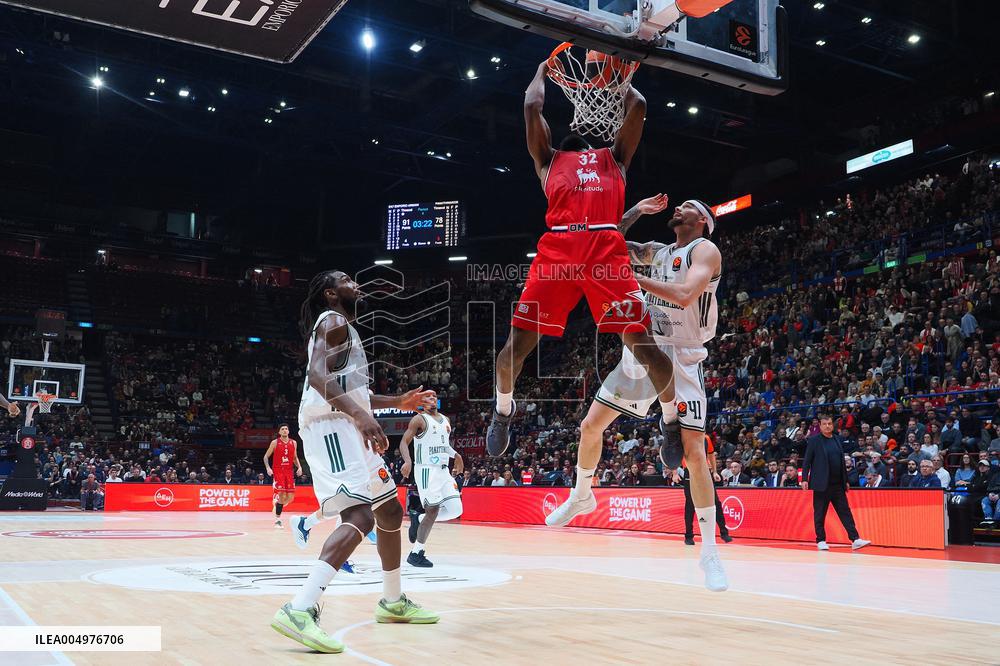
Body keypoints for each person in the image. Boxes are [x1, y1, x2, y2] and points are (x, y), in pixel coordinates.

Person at [487, 61, 679, 467]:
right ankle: (503, 410)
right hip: (558, 250)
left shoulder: (616, 158)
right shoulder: (549, 161)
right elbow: (530, 109)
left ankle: (670, 420)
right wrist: (541, 69)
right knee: (511, 351)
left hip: (605, 247)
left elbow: (639, 104)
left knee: (645, 347)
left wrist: (617, 75)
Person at [546, 196, 728, 592]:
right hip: (645, 348)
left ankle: (710, 553)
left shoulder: (705, 250)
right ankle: (581, 495)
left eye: (687, 207)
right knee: (590, 426)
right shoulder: (659, 252)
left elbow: (683, 295)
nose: (677, 209)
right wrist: (633, 213)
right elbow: (607, 243)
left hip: (682, 357)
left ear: (703, 221)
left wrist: (630, 280)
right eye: (676, 206)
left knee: (695, 455)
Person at [272, 271, 439, 654]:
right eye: (346, 279)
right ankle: (299, 609)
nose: (355, 282)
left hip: (348, 422)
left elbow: (353, 392)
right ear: (331, 293)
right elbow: (317, 378)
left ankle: (393, 601)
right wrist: (362, 418)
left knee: (391, 513)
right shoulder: (331, 320)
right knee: (360, 518)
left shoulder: (344, 326)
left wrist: (400, 400)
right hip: (331, 426)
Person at [399, 404, 464, 568]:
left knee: (456, 510)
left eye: (434, 395)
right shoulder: (419, 419)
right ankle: (416, 554)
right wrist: (408, 461)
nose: (432, 398)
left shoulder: (445, 420)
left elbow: (444, 447)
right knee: (433, 511)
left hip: (444, 471)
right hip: (427, 469)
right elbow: (404, 442)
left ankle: (418, 518)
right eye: (427, 396)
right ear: (423, 402)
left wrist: (457, 455)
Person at [801, 415, 871, 551]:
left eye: (829, 424)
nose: (827, 426)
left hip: (838, 484)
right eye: (824, 424)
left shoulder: (837, 439)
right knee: (820, 513)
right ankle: (820, 540)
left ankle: (855, 539)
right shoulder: (814, 441)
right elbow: (807, 461)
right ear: (820, 426)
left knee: (845, 512)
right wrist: (804, 479)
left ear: (832, 425)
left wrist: (845, 480)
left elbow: (842, 462)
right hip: (821, 484)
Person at [673, 434, 732, 546]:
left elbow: (711, 455)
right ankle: (689, 536)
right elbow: (674, 456)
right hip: (689, 472)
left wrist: (714, 472)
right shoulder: (684, 438)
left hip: (704, 471)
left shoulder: (706, 438)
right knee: (690, 504)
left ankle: (724, 533)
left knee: (715, 502)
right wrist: (675, 473)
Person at [264, 424, 303, 528]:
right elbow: (265, 457)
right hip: (278, 471)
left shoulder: (293, 443)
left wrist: (299, 467)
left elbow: (295, 458)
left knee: (290, 498)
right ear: (279, 432)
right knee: (281, 494)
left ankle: (277, 505)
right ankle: (277, 520)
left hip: (289, 472)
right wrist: (268, 468)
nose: (285, 430)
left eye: (286, 429)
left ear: (288, 431)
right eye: (282, 429)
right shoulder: (275, 442)